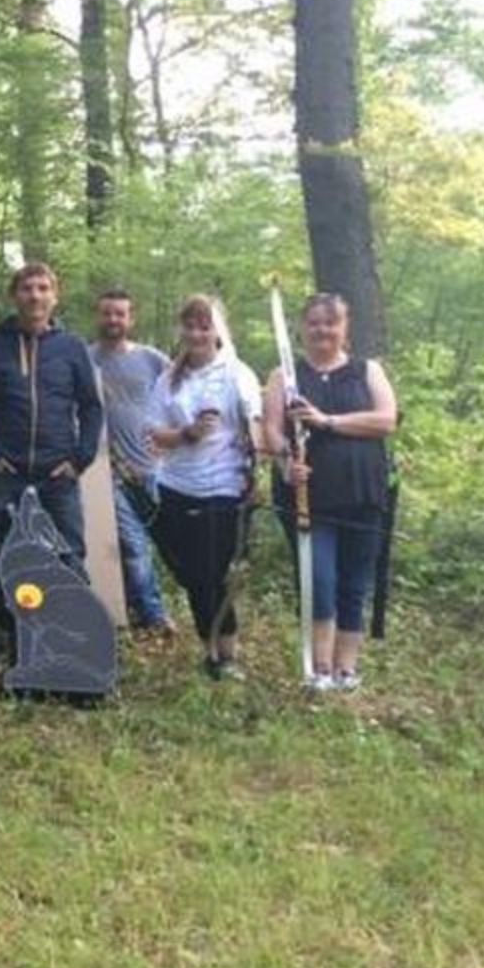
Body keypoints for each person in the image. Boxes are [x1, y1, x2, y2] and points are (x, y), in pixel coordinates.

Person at [0, 263, 103, 678]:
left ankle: (76, 650)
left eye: (43, 288)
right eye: (26, 288)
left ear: (54, 296)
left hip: (57, 476)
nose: (35, 296)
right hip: (5, 474)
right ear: (14, 295)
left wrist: (79, 458)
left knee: (68, 557)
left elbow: (91, 407)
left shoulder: (72, 348)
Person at [263, 293, 398, 691]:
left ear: (344, 327)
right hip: (308, 500)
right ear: (302, 328)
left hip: (363, 493)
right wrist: (286, 461)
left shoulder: (367, 370)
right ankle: (319, 667)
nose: (322, 330)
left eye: (330, 322)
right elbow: (271, 430)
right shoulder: (284, 376)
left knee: (354, 583)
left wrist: (327, 421)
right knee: (319, 582)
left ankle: (346, 669)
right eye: (314, 322)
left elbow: (386, 420)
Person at [145, 295, 262, 681]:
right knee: (190, 575)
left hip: (222, 489)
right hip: (175, 486)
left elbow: (255, 429)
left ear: (218, 331)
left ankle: (225, 656)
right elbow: (155, 433)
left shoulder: (237, 374)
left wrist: (257, 466)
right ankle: (209, 650)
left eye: (204, 326)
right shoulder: (169, 378)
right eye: (190, 326)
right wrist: (187, 433)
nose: (196, 334)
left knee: (211, 575)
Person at [89, 290, 177, 635]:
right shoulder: (84, 359)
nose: (113, 320)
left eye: (120, 314)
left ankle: (136, 603)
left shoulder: (153, 359)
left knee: (166, 542)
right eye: (107, 313)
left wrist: (171, 442)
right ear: (98, 316)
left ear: (131, 318)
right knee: (133, 544)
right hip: (108, 471)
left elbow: (179, 399)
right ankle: (153, 615)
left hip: (155, 469)